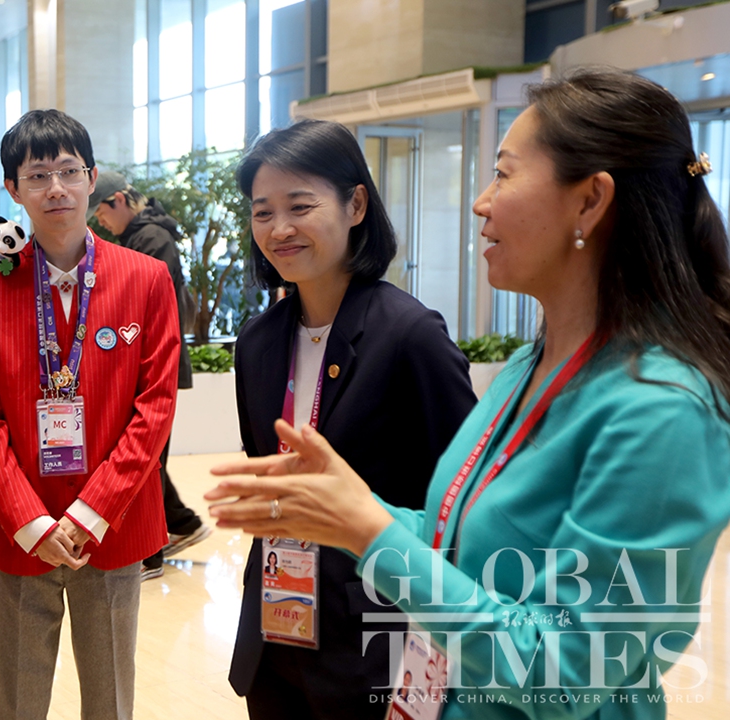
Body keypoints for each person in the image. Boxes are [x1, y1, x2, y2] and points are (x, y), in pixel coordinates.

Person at [208, 69, 730, 719]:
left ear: (590, 201)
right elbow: (458, 540)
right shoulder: (528, 367)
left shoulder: (662, 410)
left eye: (504, 175)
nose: (482, 203)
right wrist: (349, 507)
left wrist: (369, 530)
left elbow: (572, 673)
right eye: (263, 211)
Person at [213, 119, 476, 720]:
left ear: (355, 204)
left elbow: (462, 503)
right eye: (262, 212)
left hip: (374, 642)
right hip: (275, 633)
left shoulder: (410, 336)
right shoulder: (256, 342)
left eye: (300, 206)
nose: (279, 229)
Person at [0, 109, 180, 720]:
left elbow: (155, 408)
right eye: (37, 176)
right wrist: (32, 522)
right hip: (20, 531)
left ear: (92, 178)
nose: (55, 188)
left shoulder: (146, 279)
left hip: (114, 525)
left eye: (68, 171)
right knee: (18, 703)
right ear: (13, 189)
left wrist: (89, 512)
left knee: (110, 701)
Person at [88, 171, 211, 581]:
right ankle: (182, 523)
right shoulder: (139, 237)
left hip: (153, 362)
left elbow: (146, 307)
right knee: (146, 454)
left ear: (120, 200)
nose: (101, 222)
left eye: (102, 212)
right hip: (137, 361)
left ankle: (151, 553)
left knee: (146, 457)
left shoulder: (152, 239)